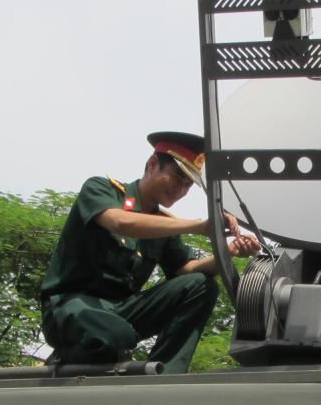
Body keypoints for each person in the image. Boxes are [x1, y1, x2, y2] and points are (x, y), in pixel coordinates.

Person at [40, 132, 261, 373]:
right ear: (152, 164)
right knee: (117, 336)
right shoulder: (102, 189)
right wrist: (200, 226)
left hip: (121, 311)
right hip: (71, 306)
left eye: (188, 185)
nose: (181, 189)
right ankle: (65, 356)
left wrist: (227, 251)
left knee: (202, 285)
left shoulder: (165, 224)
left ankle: (166, 375)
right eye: (177, 178)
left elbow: (186, 270)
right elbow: (121, 223)